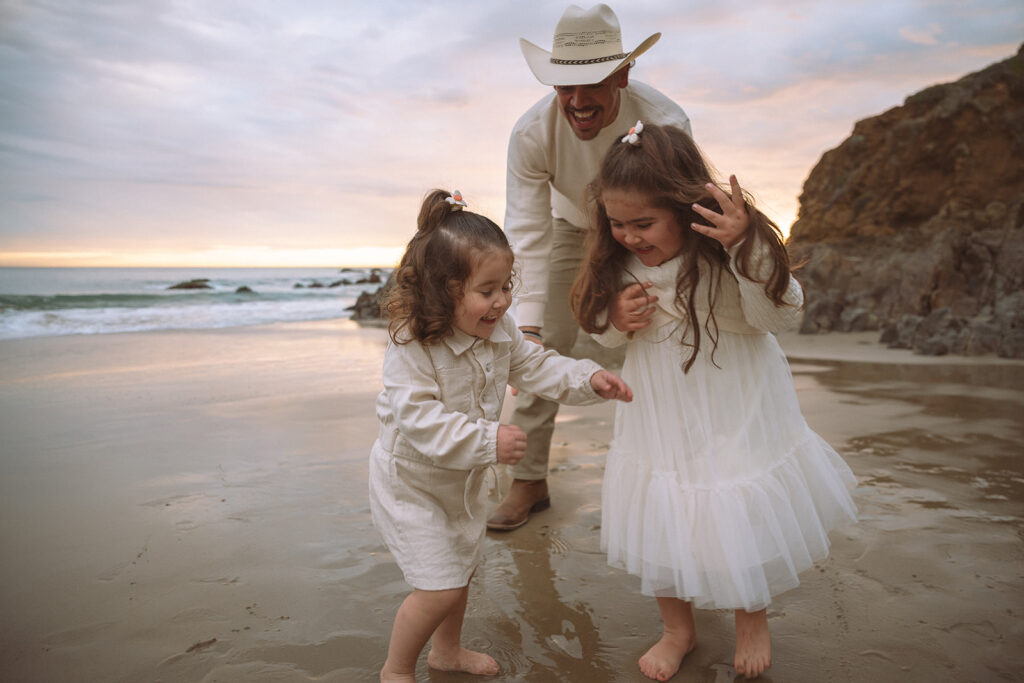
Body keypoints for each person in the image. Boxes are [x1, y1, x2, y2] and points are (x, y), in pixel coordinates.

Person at [570, 123, 858, 681]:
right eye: (617, 223)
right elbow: (602, 333)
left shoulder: (726, 254)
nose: (629, 236)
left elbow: (779, 315)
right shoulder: (617, 263)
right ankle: (677, 627)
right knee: (663, 506)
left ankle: (750, 616)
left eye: (644, 223)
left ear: (685, 207)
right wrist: (614, 319)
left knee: (734, 500)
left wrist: (744, 247)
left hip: (735, 402)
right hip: (660, 412)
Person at [369, 189, 633, 682]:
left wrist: (587, 379)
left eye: (505, 286)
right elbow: (417, 419)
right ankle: (396, 670)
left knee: (460, 570)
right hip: (411, 484)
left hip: (462, 484)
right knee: (440, 586)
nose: (502, 302)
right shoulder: (413, 344)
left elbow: (536, 365)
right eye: (486, 291)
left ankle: (446, 651)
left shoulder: (502, 331)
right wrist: (490, 441)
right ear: (443, 291)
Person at [489, 3, 692, 531]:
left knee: (661, 335)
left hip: (644, 229)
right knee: (539, 347)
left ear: (623, 74)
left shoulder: (666, 121)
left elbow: (681, 209)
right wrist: (527, 326)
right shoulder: (531, 133)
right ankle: (530, 481)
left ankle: (680, 474)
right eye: (564, 86)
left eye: (593, 83)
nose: (577, 102)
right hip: (566, 229)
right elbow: (526, 231)